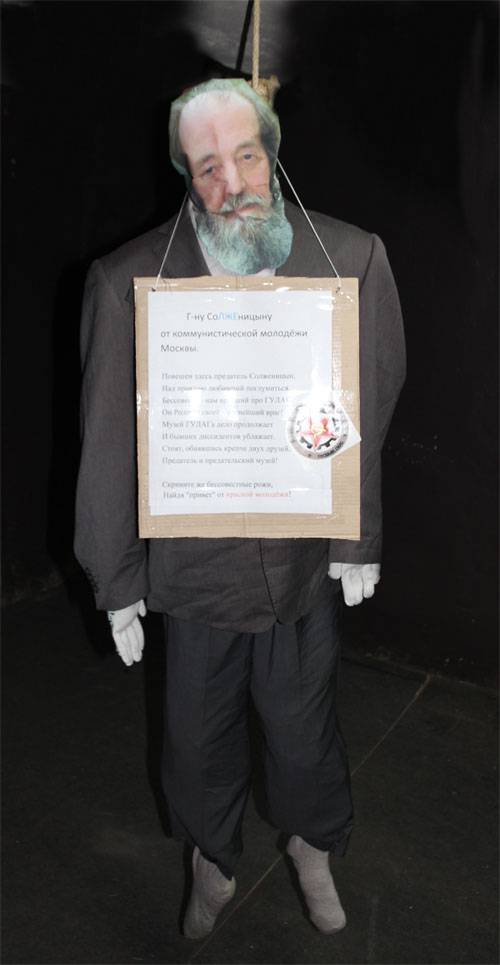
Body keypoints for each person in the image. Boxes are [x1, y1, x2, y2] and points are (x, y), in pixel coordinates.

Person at [75, 78, 405, 940]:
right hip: (191, 571)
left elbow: (370, 396)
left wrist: (356, 530)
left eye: (247, 155)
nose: (233, 183)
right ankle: (211, 860)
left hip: (298, 561)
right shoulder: (128, 281)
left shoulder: (349, 259)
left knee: (304, 729)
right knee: (194, 738)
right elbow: (107, 437)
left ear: (272, 150)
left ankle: (313, 845)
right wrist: (114, 575)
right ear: (186, 174)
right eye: (208, 166)